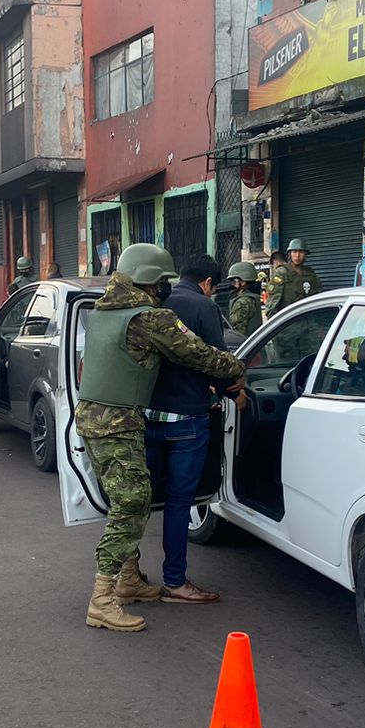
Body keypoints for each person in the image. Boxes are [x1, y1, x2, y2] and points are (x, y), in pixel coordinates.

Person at [76, 243, 246, 633]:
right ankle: (103, 599)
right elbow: (199, 354)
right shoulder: (148, 318)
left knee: (125, 498)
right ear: (152, 281)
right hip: (118, 424)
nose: (164, 289)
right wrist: (237, 368)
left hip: (94, 420)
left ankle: (130, 579)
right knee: (133, 503)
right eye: (162, 282)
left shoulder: (103, 309)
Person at [144, 253, 240, 605]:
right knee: (179, 502)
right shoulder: (203, 307)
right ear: (208, 283)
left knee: (138, 501)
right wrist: (236, 390)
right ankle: (174, 582)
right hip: (186, 421)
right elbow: (216, 362)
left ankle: (128, 575)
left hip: (148, 416)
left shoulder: (157, 300)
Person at [265, 238, 322, 318]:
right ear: (290, 254)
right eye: (294, 252)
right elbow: (272, 303)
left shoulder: (310, 273)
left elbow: (318, 297)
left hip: (309, 320)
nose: (297, 255)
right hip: (290, 321)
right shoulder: (282, 272)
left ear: (306, 254)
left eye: (301, 252)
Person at [227, 261, 262, 339]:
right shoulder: (252, 298)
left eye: (234, 281)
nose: (232, 284)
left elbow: (237, 334)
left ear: (243, 282)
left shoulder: (242, 302)